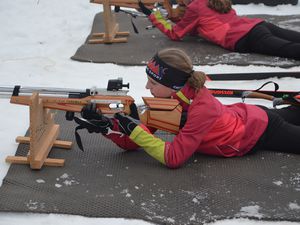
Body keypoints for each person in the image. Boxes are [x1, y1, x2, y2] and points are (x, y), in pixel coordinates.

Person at [80, 48, 300, 168]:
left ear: (174, 85)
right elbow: (132, 143)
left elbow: (173, 158)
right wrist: (108, 128)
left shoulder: (201, 107)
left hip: (259, 131)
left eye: (154, 83)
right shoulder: (169, 99)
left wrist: (135, 129)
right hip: (246, 116)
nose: (147, 87)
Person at [137, 0, 300, 60]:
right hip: (258, 25)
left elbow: (175, 34)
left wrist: (153, 15)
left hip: (245, 37)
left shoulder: (195, 7)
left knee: (290, 50)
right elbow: (200, 25)